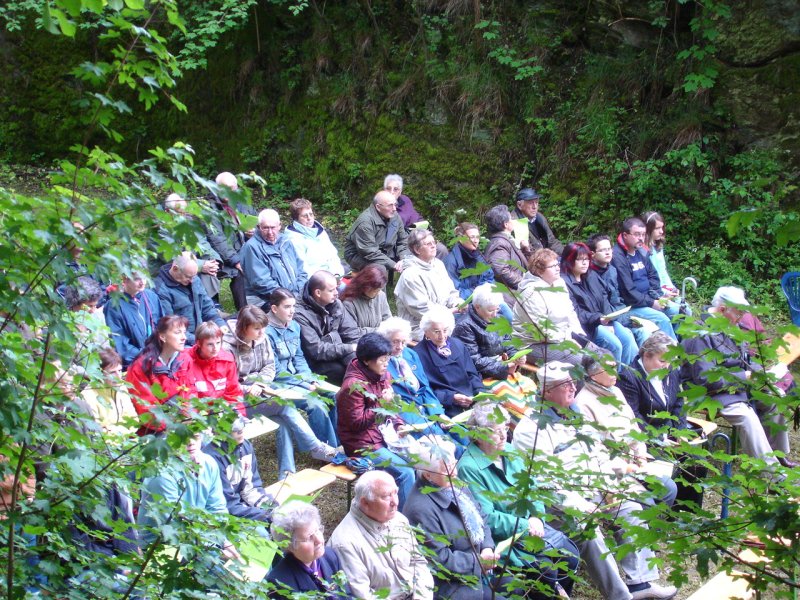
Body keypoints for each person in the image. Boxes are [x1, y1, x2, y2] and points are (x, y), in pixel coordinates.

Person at [513, 363, 678, 600]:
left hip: (595, 487)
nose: (573, 388)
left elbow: (596, 454)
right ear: (546, 392)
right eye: (565, 385)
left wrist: (612, 480)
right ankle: (620, 596)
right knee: (589, 532)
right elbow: (544, 483)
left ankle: (641, 583)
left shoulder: (575, 411)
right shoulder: (531, 429)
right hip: (561, 502)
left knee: (630, 508)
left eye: (573, 382)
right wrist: (582, 505)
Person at [457, 403, 579, 599]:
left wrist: (538, 516)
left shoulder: (509, 450)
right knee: (545, 570)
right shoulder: (468, 467)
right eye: (496, 431)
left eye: (505, 428)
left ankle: (560, 592)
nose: (504, 435)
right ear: (479, 435)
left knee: (571, 557)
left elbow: (531, 487)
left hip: (533, 528)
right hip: (506, 540)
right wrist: (525, 524)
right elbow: (485, 517)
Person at [681, 286, 793, 468]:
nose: (741, 319)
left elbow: (746, 360)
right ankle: (771, 474)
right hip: (711, 393)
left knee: (775, 397)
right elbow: (706, 380)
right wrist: (746, 376)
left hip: (738, 386)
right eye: (738, 314)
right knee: (747, 417)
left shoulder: (734, 327)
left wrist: (761, 373)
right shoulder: (698, 334)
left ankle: (778, 454)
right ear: (722, 309)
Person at [402, 438, 509, 600]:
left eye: (453, 463)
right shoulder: (420, 509)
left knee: (518, 588)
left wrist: (487, 547)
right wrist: (478, 562)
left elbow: (482, 517)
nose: (453, 471)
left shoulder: (453, 482)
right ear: (428, 475)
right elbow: (440, 560)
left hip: (482, 567)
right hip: (454, 585)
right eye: (446, 468)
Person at [224, 304, 338, 446]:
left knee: (329, 396)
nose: (262, 332)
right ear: (243, 327)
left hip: (266, 386)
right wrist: (252, 386)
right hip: (246, 394)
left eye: (263, 327)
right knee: (304, 404)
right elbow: (230, 383)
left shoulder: (263, 337)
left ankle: (335, 445)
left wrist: (261, 382)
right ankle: (322, 447)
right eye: (257, 329)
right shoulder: (227, 348)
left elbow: (269, 365)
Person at [576, 355, 678, 505]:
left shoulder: (616, 391)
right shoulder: (582, 404)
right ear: (594, 375)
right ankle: (643, 525)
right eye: (609, 369)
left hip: (634, 461)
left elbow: (634, 428)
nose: (615, 373)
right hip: (611, 470)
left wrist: (641, 455)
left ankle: (655, 526)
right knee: (646, 501)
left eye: (615, 367)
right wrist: (626, 467)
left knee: (669, 488)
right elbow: (595, 452)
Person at [336, 333, 415, 508]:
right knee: (406, 472)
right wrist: (381, 403)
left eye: (388, 358)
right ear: (366, 360)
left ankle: (418, 513)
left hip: (384, 434)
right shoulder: (352, 386)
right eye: (382, 360)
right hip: (362, 443)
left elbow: (391, 407)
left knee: (420, 462)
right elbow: (356, 424)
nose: (386, 364)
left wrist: (399, 424)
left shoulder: (382, 374)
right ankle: (402, 519)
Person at [327, 470, 434, 599]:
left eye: (395, 492)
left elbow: (419, 562)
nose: (395, 502)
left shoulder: (398, 519)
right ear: (365, 503)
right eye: (386, 496)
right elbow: (363, 596)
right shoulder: (346, 543)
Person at [137, 432, 241, 562]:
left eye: (195, 436)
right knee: (219, 571)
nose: (190, 442)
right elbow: (175, 527)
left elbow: (217, 508)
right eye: (183, 437)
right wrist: (215, 548)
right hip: (161, 548)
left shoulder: (209, 463)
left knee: (245, 549)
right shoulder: (162, 474)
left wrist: (223, 541)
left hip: (200, 538)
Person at [512, 248, 598, 367]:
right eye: (552, 266)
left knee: (601, 355)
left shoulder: (559, 283)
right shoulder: (531, 292)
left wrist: (578, 334)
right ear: (540, 271)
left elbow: (570, 312)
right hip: (533, 344)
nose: (558, 268)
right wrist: (566, 341)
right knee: (584, 361)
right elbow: (542, 330)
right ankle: (580, 386)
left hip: (562, 337)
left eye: (557, 264)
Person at [561, 241, 638, 366]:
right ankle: (612, 378)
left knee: (627, 338)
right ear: (569, 260)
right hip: (587, 328)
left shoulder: (591, 275)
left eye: (587, 259)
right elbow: (575, 313)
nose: (585, 263)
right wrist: (599, 320)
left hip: (602, 320)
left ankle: (627, 377)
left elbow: (604, 298)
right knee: (615, 345)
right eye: (580, 260)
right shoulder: (564, 282)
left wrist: (609, 319)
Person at [412, 306, 485, 419]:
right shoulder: (418, 354)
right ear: (426, 332)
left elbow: (472, 374)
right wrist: (451, 398)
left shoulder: (457, 344)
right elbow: (424, 390)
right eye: (436, 332)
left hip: (471, 399)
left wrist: (479, 393)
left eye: (445, 330)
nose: (442, 336)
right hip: (445, 406)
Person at [267, 501, 352, 597]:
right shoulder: (280, 584)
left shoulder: (330, 556)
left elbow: (347, 595)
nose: (319, 540)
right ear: (289, 545)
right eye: (308, 537)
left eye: (318, 530)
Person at [377, 317, 447, 435]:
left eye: (403, 342)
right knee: (440, 441)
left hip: (425, 406)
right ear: (384, 341)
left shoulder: (411, 354)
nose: (400, 347)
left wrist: (438, 413)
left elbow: (425, 388)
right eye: (395, 342)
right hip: (404, 411)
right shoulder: (380, 362)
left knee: (459, 433)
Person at [611, 217, 677, 340]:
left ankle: (682, 347)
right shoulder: (618, 257)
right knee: (662, 319)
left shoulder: (641, 251)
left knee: (678, 310)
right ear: (625, 235)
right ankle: (672, 356)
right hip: (632, 306)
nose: (641, 238)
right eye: (636, 234)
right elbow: (628, 291)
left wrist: (657, 295)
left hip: (649, 298)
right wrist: (652, 302)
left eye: (643, 234)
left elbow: (653, 276)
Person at [125, 315, 192, 435]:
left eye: (184, 332)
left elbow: (190, 392)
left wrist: (187, 418)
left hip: (183, 422)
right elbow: (146, 408)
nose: (184, 338)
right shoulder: (141, 366)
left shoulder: (185, 359)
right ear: (162, 336)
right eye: (178, 333)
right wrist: (171, 426)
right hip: (153, 431)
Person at [202, 417, 275, 524]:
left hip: (241, 505)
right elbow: (228, 504)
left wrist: (272, 508)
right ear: (219, 432)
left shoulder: (245, 446)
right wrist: (264, 516)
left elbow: (252, 488)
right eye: (234, 429)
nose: (240, 431)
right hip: (222, 514)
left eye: (241, 426)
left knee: (281, 515)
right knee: (263, 531)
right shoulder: (212, 457)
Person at [295, 270, 361, 385]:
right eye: (331, 290)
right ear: (318, 293)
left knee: (364, 365)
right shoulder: (300, 314)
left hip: (338, 352)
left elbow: (351, 333)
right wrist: (350, 348)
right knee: (342, 372)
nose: (337, 293)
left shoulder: (336, 304)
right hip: (315, 361)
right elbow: (316, 350)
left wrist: (357, 353)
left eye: (336, 288)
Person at [395, 229, 462, 340]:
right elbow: (421, 309)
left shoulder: (438, 264)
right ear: (417, 249)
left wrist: (458, 303)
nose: (434, 246)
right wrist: (448, 312)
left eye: (434, 242)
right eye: (428, 244)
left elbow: (451, 291)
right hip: (419, 328)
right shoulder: (410, 274)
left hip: (443, 320)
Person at [587, 233, 653, 345]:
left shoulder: (612, 270)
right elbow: (605, 308)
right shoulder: (590, 276)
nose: (607, 252)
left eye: (609, 249)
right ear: (592, 254)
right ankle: (636, 362)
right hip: (606, 320)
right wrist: (628, 321)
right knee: (641, 332)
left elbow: (617, 300)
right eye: (602, 250)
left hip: (620, 313)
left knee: (651, 325)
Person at [451, 283, 526, 381]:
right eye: (490, 310)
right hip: (479, 376)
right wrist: (504, 367)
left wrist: (516, 355)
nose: (495, 314)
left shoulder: (498, 318)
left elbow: (508, 341)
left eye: (497, 309)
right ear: (477, 307)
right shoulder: (464, 327)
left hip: (500, 368)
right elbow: (474, 360)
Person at [204, 172, 255, 311]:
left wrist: (252, 232)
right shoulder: (209, 208)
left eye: (232, 188)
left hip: (245, 248)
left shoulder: (242, 202)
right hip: (221, 255)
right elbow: (217, 239)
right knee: (238, 273)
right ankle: (244, 312)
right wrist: (236, 261)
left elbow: (255, 220)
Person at [617, 331, 687, 432]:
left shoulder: (671, 369)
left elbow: (678, 402)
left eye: (670, 361)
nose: (667, 366)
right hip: (646, 437)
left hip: (670, 431)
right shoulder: (628, 378)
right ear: (646, 355)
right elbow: (634, 416)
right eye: (662, 361)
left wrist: (681, 431)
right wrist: (659, 440)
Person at [154, 252, 226, 346]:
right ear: (175, 268)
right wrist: (199, 341)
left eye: (194, 276)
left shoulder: (194, 279)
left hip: (200, 335)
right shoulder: (161, 290)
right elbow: (170, 327)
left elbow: (207, 307)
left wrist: (220, 324)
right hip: (180, 343)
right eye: (188, 276)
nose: (192, 280)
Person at [241, 208, 308, 306]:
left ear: (279, 226)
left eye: (273, 227)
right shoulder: (251, 247)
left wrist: (298, 293)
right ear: (258, 227)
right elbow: (261, 283)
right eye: (265, 228)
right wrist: (289, 297)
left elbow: (301, 270)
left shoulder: (286, 241)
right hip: (265, 300)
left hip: (293, 296)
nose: (270, 232)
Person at [186, 321, 247, 417]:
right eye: (210, 344)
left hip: (221, 412)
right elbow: (187, 397)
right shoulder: (186, 361)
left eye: (218, 343)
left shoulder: (227, 360)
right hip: (197, 416)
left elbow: (233, 393)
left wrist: (239, 416)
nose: (215, 348)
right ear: (199, 343)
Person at [104, 270, 163, 368]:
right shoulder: (114, 306)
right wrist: (146, 357)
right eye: (137, 279)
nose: (142, 282)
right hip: (134, 364)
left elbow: (162, 328)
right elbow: (120, 344)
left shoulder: (152, 297)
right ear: (124, 280)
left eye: (144, 277)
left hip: (158, 358)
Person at [343, 190, 411, 274]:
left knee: (412, 258)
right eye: (390, 205)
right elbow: (369, 252)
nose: (394, 209)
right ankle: (377, 287)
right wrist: (394, 265)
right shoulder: (365, 222)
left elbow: (402, 240)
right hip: (358, 255)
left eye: (395, 204)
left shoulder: (394, 215)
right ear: (378, 207)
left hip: (385, 250)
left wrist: (404, 259)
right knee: (379, 269)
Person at [80, 347, 138, 436]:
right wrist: (122, 430)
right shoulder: (87, 396)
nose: (118, 377)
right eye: (112, 372)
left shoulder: (121, 387)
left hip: (127, 441)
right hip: (105, 447)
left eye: (119, 370)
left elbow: (134, 421)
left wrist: (110, 429)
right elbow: (96, 432)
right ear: (99, 373)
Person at [283, 197, 346, 278]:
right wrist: (328, 281)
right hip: (314, 282)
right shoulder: (293, 238)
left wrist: (337, 275)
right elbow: (302, 270)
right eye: (305, 216)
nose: (309, 218)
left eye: (311, 214)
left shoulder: (320, 231)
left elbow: (333, 256)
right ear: (296, 219)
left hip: (332, 276)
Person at [483, 205, 530, 307]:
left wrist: (525, 249)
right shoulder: (499, 243)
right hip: (509, 298)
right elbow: (501, 271)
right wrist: (523, 283)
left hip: (514, 294)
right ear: (506, 224)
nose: (513, 221)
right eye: (511, 219)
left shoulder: (506, 240)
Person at [443, 222, 495, 301]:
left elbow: (490, 277)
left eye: (477, 237)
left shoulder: (479, 256)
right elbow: (455, 293)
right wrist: (477, 292)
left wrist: (485, 290)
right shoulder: (450, 262)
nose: (475, 241)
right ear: (460, 239)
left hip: (486, 299)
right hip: (465, 305)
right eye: (472, 237)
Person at [340, 264, 392, 337]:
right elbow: (351, 332)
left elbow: (388, 319)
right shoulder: (348, 303)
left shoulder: (381, 295)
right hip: (359, 342)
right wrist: (380, 330)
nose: (377, 293)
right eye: (375, 290)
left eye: (379, 289)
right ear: (365, 287)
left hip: (381, 338)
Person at [512, 188, 563, 255]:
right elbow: (527, 252)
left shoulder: (539, 217)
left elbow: (551, 241)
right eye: (530, 203)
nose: (535, 206)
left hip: (545, 256)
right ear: (519, 205)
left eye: (536, 202)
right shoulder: (517, 222)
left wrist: (567, 253)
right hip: (534, 261)